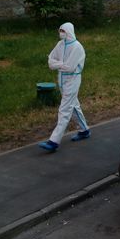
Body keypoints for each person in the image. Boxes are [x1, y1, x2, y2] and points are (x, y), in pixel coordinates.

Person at [39, 23, 90, 152]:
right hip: (62, 79)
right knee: (73, 105)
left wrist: (58, 64)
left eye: (63, 30)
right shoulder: (60, 44)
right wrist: (61, 64)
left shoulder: (77, 47)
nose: (60, 33)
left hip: (72, 80)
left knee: (64, 109)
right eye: (60, 30)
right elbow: (50, 61)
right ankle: (84, 130)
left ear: (68, 31)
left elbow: (70, 67)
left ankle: (53, 141)